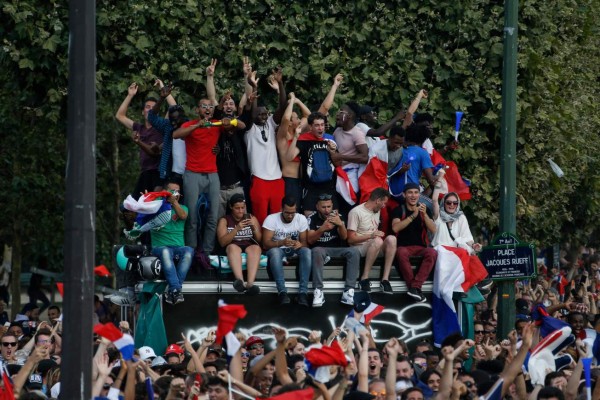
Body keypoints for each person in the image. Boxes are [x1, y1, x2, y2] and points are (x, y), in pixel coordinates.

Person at [173, 98, 245, 253]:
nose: (207, 109)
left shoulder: (216, 124)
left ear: (213, 110)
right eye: (204, 106)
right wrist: (197, 126)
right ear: (197, 110)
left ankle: (207, 252)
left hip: (212, 174)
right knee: (191, 216)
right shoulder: (191, 124)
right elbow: (176, 134)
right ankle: (191, 251)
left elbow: (242, 125)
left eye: (210, 107)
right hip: (192, 173)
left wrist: (229, 120)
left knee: (213, 216)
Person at [241, 65, 286, 224]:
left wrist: (280, 84)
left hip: (277, 179)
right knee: (260, 218)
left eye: (265, 114)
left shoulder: (271, 125)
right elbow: (252, 112)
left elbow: (283, 107)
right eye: (260, 114)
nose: (263, 116)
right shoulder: (249, 128)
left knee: (276, 219)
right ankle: (259, 247)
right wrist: (254, 86)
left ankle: (274, 246)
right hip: (259, 179)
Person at [307, 193, 360, 306]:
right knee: (316, 250)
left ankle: (349, 291)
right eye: (323, 207)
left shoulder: (339, 216)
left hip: (337, 249)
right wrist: (322, 229)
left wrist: (340, 224)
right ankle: (318, 291)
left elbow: (345, 237)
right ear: (317, 207)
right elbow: (310, 240)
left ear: (332, 206)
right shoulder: (312, 218)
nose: (326, 210)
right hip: (321, 250)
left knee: (354, 251)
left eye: (329, 207)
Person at [285, 111, 340, 214]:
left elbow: (338, 164)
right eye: (317, 125)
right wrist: (296, 137)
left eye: (322, 125)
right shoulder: (304, 140)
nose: (320, 128)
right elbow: (289, 157)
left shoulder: (330, 139)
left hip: (329, 186)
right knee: (309, 218)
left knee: (334, 217)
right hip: (310, 187)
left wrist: (333, 152)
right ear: (310, 127)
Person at [115, 82, 164, 198]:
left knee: (152, 205)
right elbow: (119, 116)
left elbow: (154, 152)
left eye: (153, 108)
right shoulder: (139, 128)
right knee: (131, 208)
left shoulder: (162, 127)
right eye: (147, 107)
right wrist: (130, 95)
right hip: (145, 172)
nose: (150, 110)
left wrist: (163, 91)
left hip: (158, 173)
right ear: (143, 112)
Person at [150, 178, 194, 305]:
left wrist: (174, 202)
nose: (176, 193)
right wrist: (148, 199)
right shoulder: (156, 205)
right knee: (165, 251)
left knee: (189, 251)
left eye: (178, 191)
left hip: (178, 247)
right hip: (159, 246)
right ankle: (176, 289)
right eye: (172, 191)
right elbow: (147, 209)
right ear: (165, 191)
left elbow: (183, 216)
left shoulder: (183, 207)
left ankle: (174, 289)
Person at [391, 183, 437, 303]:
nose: (413, 195)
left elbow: (433, 229)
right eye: (410, 192)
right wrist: (413, 216)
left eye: (416, 193)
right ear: (404, 195)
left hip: (420, 247)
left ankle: (415, 287)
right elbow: (395, 228)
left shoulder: (424, 209)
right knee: (401, 252)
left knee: (432, 252)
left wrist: (425, 215)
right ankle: (414, 288)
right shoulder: (398, 209)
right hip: (404, 247)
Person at [262, 196, 311, 306]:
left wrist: (300, 244)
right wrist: (281, 243)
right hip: (278, 249)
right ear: (281, 209)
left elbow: (305, 243)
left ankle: (303, 293)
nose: (290, 216)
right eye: (287, 213)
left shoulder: (301, 218)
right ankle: (282, 292)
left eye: (293, 213)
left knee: (307, 251)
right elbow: (265, 244)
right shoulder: (271, 219)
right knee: (274, 252)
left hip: (294, 249)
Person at [347, 188, 397, 293]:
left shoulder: (376, 210)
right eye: (384, 203)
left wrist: (374, 236)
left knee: (392, 239)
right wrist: (371, 236)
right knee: (377, 240)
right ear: (378, 200)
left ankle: (385, 280)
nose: (384, 206)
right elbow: (350, 239)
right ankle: (364, 278)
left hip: (374, 246)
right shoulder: (356, 212)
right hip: (359, 247)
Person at [216, 194, 262, 295]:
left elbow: (259, 240)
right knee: (233, 248)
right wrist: (236, 229)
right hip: (233, 245)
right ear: (231, 207)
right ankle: (240, 281)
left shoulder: (251, 217)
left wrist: (254, 228)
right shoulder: (225, 220)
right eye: (237, 208)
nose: (241, 211)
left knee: (256, 248)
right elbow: (222, 242)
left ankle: (250, 284)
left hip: (248, 244)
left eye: (243, 208)